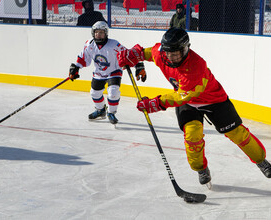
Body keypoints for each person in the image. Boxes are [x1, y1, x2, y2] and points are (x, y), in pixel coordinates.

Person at [116, 27, 271, 185]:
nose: (171, 58)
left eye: (176, 54)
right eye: (168, 53)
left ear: (185, 49)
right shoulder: (162, 53)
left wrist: (156, 103)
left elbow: (183, 96)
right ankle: (201, 169)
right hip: (188, 104)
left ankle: (261, 160)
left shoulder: (196, 65)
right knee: (192, 136)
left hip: (213, 100)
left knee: (237, 134)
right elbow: (146, 53)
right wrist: (134, 55)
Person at [69, 21, 146, 124]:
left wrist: (138, 65)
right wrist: (76, 67)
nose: (98, 34)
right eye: (96, 32)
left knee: (113, 93)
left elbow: (127, 54)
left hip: (114, 71)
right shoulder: (89, 44)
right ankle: (100, 110)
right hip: (99, 73)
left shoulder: (114, 44)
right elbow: (83, 58)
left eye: (101, 32)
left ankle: (111, 112)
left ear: (106, 33)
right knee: (94, 93)